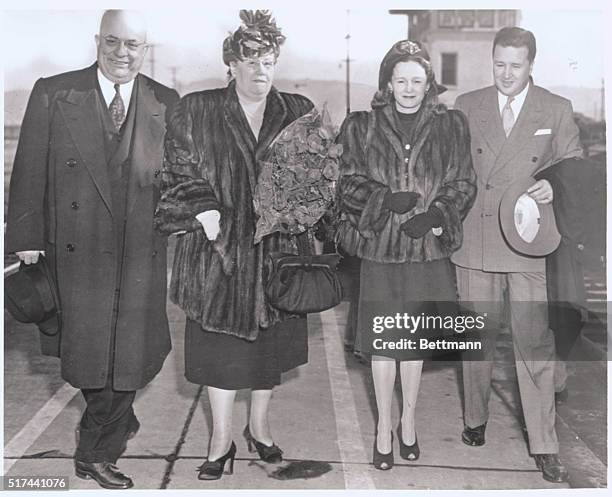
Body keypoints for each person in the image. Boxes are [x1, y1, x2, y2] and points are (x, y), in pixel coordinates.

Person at [4, 10, 178, 490]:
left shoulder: (166, 101)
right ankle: (106, 436)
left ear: (146, 48)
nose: (123, 54)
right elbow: (28, 172)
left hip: (140, 254)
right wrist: (26, 241)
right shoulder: (56, 93)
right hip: (76, 253)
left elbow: (183, 179)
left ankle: (99, 442)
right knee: (87, 356)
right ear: (97, 41)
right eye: (113, 42)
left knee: (133, 355)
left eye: (133, 45)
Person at [154, 10, 313, 481]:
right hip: (215, 252)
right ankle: (220, 438)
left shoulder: (298, 110)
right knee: (219, 355)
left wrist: (301, 207)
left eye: (269, 60)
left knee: (270, 351)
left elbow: (317, 176)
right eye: (251, 61)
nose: (260, 70)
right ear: (231, 64)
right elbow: (176, 168)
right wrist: (204, 209)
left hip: (275, 253)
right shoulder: (196, 108)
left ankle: (259, 428)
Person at [336, 40, 476, 470]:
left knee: (412, 340)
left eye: (417, 80)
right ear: (387, 84)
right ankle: (383, 427)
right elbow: (344, 183)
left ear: (429, 83)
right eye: (401, 80)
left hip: (426, 250)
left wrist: (436, 214)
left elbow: (463, 182)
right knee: (384, 342)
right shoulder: (361, 126)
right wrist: (382, 199)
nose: (409, 89)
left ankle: (409, 421)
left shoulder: (451, 124)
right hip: (380, 251)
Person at [453, 27, 582, 483]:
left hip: (528, 244)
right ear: (492, 61)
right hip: (476, 240)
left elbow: (575, 167)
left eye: (516, 65)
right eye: (499, 64)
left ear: (531, 65)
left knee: (533, 343)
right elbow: (452, 171)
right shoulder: (467, 106)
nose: (506, 74)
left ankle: (544, 443)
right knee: (475, 340)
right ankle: (474, 418)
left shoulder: (556, 108)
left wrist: (556, 184)